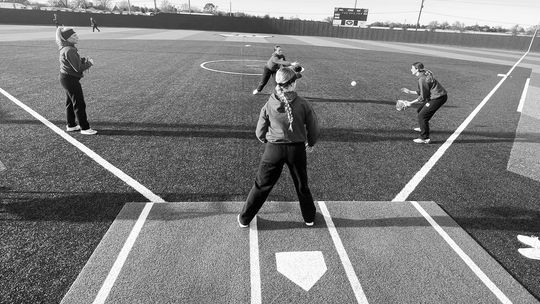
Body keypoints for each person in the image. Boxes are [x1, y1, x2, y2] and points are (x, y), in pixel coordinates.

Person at [239, 67, 320, 228]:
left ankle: (244, 219)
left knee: (261, 185)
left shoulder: (270, 103)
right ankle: (309, 218)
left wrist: (263, 139)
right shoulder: (303, 104)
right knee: (301, 185)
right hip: (296, 151)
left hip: (273, 150)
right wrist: (310, 143)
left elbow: (260, 129)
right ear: (293, 84)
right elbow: (313, 128)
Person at [55, 27, 97, 135]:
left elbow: (73, 63)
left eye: (76, 35)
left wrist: (82, 60)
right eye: (73, 36)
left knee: (70, 102)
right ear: (67, 39)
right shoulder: (69, 50)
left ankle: (71, 125)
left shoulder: (68, 48)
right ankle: (85, 128)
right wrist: (89, 63)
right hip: (70, 79)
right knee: (79, 103)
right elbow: (77, 68)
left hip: (66, 78)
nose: (77, 37)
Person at [400, 62, 448, 144]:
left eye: (412, 68)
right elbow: (424, 91)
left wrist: (410, 103)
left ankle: (425, 138)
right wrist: (409, 92)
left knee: (422, 116)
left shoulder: (422, 79)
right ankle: (423, 127)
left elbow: (423, 97)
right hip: (436, 96)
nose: (411, 70)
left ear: (417, 69)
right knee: (420, 110)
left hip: (438, 98)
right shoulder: (423, 74)